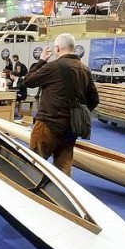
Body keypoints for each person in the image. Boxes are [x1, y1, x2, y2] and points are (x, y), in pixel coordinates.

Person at [23, 33, 99, 176]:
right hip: (71, 128)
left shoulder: (53, 67)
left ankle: (33, 196)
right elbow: (94, 99)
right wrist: (76, 113)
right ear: (73, 48)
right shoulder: (84, 69)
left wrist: (41, 61)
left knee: (35, 165)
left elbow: (28, 81)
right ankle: (62, 197)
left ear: (57, 48)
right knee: (63, 170)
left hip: (48, 124)